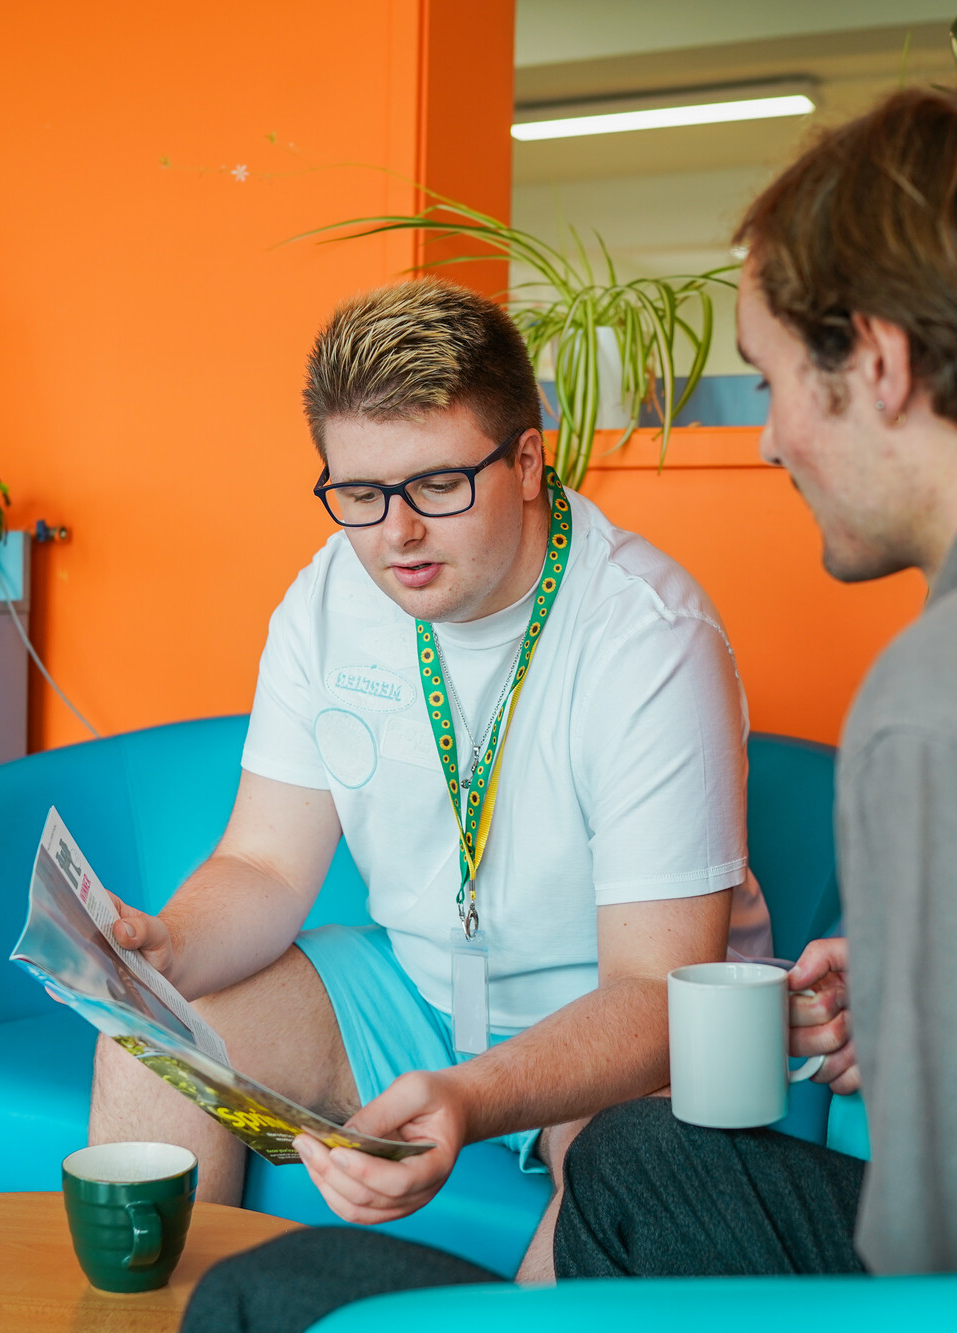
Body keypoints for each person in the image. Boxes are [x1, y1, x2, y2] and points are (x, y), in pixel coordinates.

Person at [182, 81, 957, 1333]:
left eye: (776, 378)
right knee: (641, 1163)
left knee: (264, 1298)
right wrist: (941, 988)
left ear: (883, 366)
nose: (770, 440)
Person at [89, 279, 771, 1281]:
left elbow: (651, 991)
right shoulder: (328, 595)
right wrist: (166, 947)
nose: (394, 534)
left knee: (638, 1176)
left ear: (528, 461)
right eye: (358, 493)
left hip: (611, 1031)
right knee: (148, 1036)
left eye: (436, 487)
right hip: (411, 989)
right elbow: (265, 864)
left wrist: (468, 1094)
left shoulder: (646, 638)